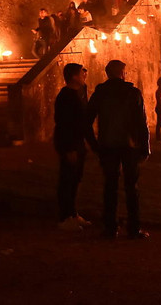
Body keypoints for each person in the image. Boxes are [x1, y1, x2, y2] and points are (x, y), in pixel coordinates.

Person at [87, 60, 150, 239]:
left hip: (107, 145)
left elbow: (87, 121)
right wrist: (145, 147)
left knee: (110, 187)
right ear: (122, 73)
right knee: (132, 187)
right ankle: (133, 228)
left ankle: (110, 227)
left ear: (108, 74)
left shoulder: (100, 93)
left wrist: (95, 145)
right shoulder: (133, 92)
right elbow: (141, 123)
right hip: (129, 146)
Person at [54, 63, 96, 231]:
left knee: (75, 179)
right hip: (69, 143)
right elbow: (64, 124)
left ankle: (72, 213)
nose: (85, 75)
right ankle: (64, 218)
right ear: (73, 77)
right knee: (67, 180)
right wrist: (68, 148)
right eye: (81, 73)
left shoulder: (78, 94)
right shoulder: (66, 96)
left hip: (77, 143)